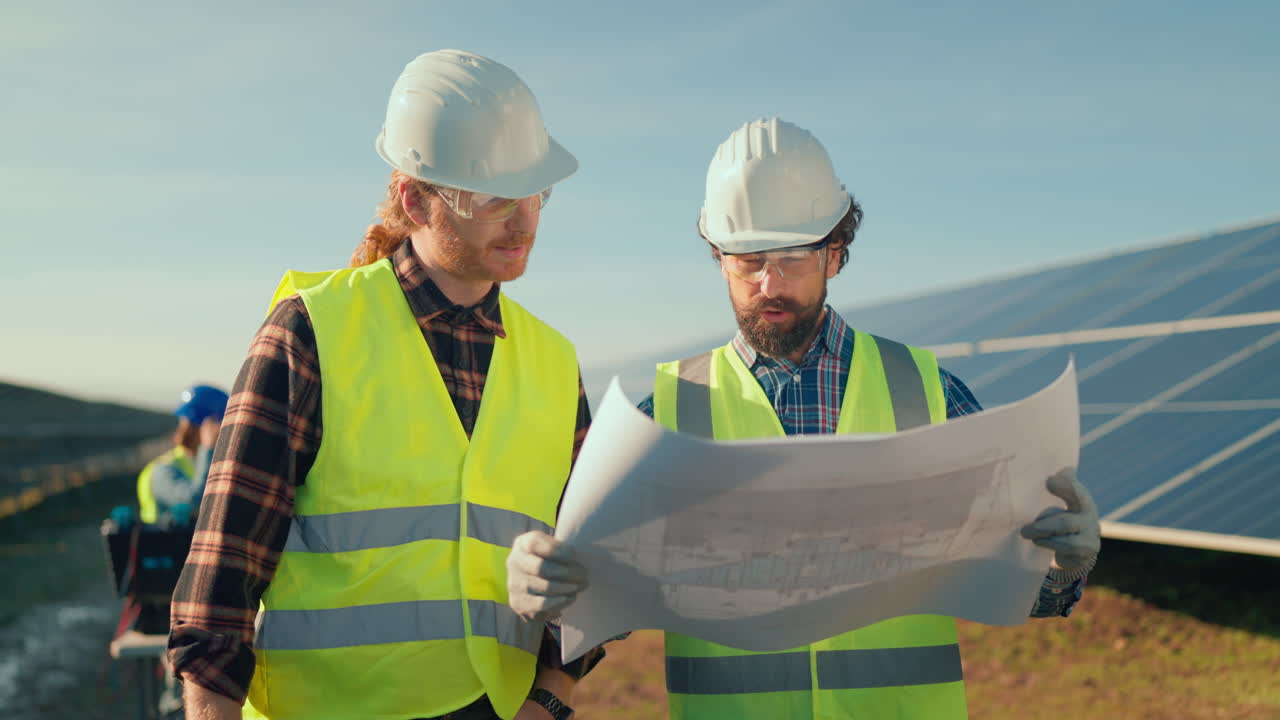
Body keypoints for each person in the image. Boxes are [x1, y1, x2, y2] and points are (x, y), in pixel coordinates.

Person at [506, 118, 1101, 719]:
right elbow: (608, 604)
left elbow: (1025, 592)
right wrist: (557, 589)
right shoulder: (667, 414)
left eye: (793, 257)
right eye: (748, 260)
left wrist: (1062, 565)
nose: (769, 283)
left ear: (834, 255)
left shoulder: (928, 393)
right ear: (718, 258)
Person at [168, 50, 598, 720]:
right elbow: (218, 591)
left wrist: (551, 696)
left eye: (536, 193)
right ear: (414, 199)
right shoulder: (310, 333)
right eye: (493, 198)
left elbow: (589, 563)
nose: (524, 221)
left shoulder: (554, 361)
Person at [137, 384, 227, 525]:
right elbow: (196, 504)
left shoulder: (209, 463)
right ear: (206, 427)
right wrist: (207, 447)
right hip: (165, 539)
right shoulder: (163, 470)